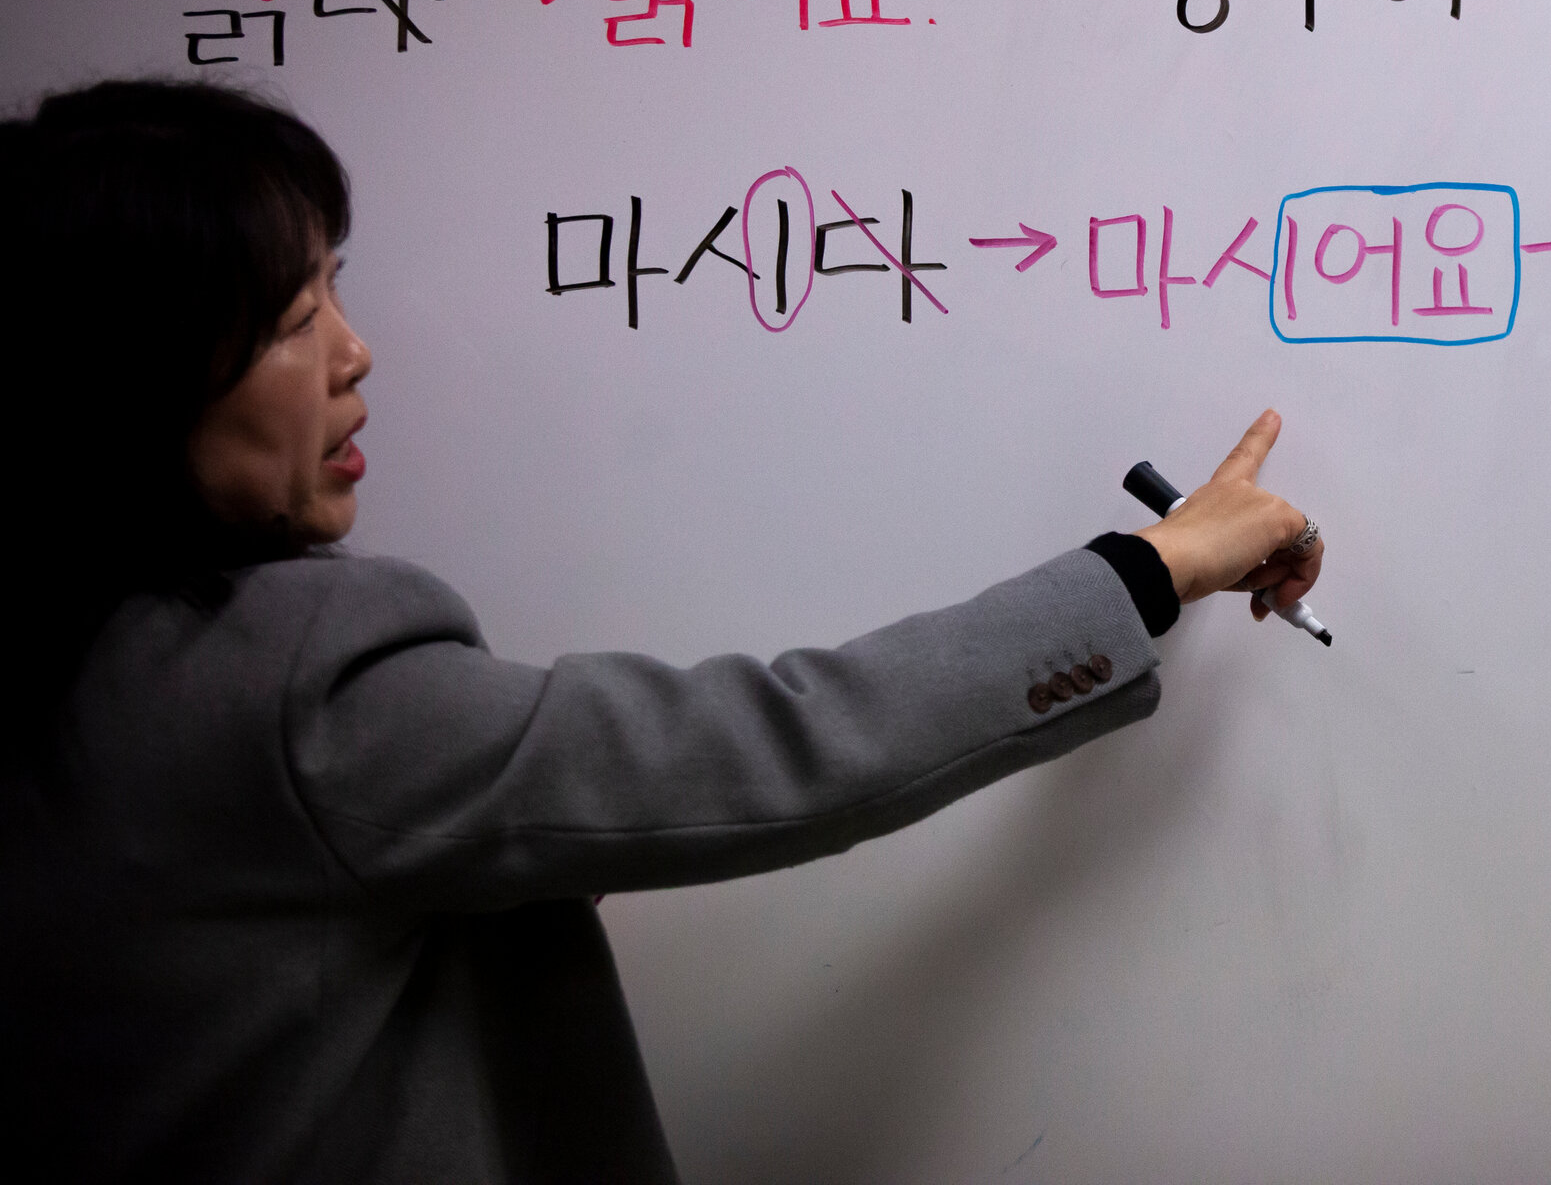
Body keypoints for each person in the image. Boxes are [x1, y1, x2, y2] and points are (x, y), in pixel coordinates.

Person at [0, 79, 1325, 1185]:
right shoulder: (293, 694)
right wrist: (1153, 569)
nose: (354, 352)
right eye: (295, 321)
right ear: (130, 387)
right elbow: (783, 747)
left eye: (336, 288)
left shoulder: (73, 653)